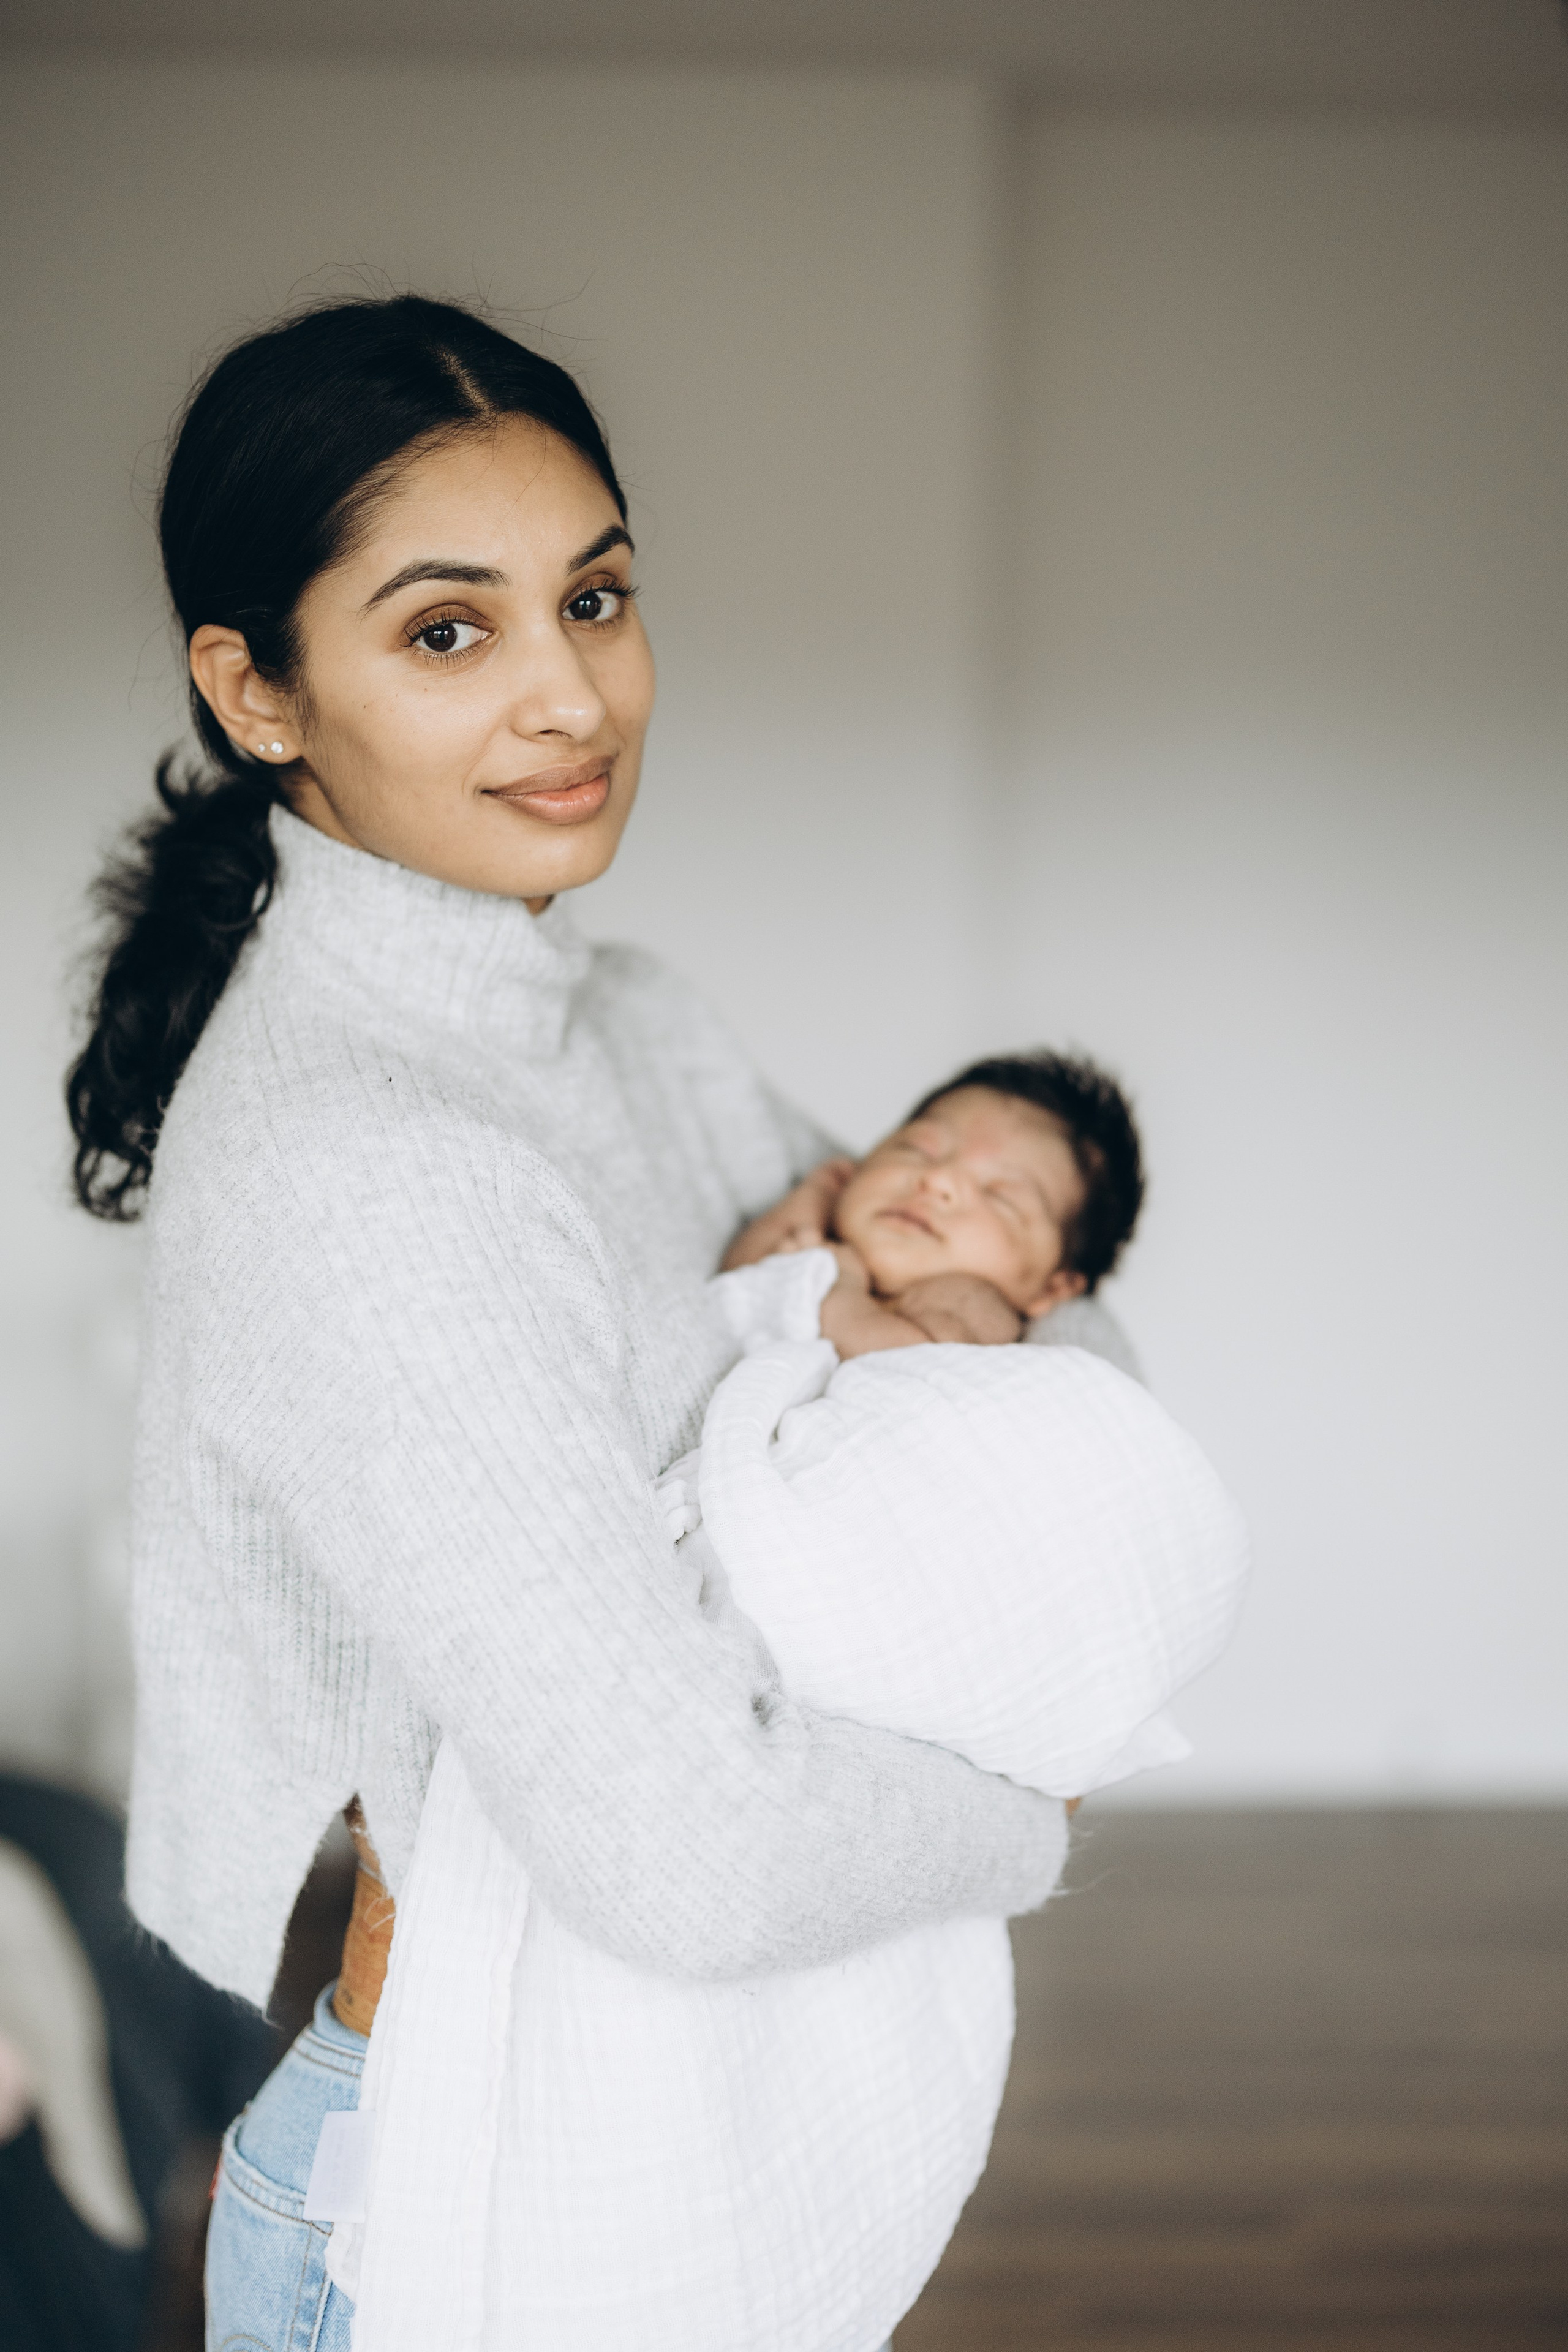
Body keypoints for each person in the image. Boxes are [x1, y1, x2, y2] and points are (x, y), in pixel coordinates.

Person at [64, 294, 1076, 2351]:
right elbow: (690, 1850)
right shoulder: (370, 1160)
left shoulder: (628, 1024)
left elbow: (1053, 1323)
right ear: (257, 693)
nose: (570, 697)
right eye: (452, 631)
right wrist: (1029, 1802)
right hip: (446, 2173)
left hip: (633, 2102)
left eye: (595, 598)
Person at [338, 1055, 1248, 2352]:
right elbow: (724, 1331)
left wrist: (810, 1274)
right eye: (922, 1143)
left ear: (1054, 1287)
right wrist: (782, 1260)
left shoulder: (974, 1329)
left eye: (999, 1191)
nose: (941, 1181)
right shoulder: (802, 1270)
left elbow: (900, 1369)